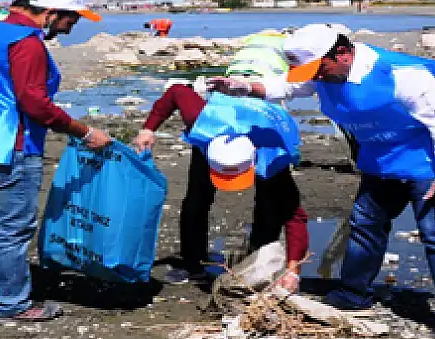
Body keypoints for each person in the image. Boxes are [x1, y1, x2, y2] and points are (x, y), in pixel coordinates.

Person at [210, 23, 435, 339]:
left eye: (319, 69)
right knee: (365, 225)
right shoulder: (324, 72)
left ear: (342, 52)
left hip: (429, 161)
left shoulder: (401, 74)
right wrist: (241, 86)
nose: (317, 77)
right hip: (381, 160)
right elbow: (286, 86)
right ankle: (353, 295)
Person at [0, 0, 111, 326]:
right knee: (12, 227)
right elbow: (34, 104)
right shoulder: (26, 43)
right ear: (51, 13)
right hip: (10, 145)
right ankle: (13, 305)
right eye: (72, 18)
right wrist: (85, 131)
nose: (73, 25)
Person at [132, 84, 308, 290]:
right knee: (197, 197)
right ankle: (193, 262)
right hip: (213, 135)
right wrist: (148, 128)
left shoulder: (273, 153)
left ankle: (260, 258)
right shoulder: (200, 121)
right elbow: (177, 90)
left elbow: (295, 215)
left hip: (262, 127)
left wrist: (294, 270)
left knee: (271, 204)